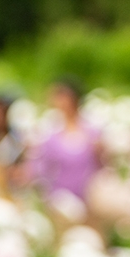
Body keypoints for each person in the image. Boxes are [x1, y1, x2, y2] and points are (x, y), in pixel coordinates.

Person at [30, 78, 103, 225]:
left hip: (90, 196)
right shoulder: (50, 132)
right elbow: (41, 168)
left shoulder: (92, 131)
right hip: (60, 197)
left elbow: (101, 165)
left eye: (61, 96)